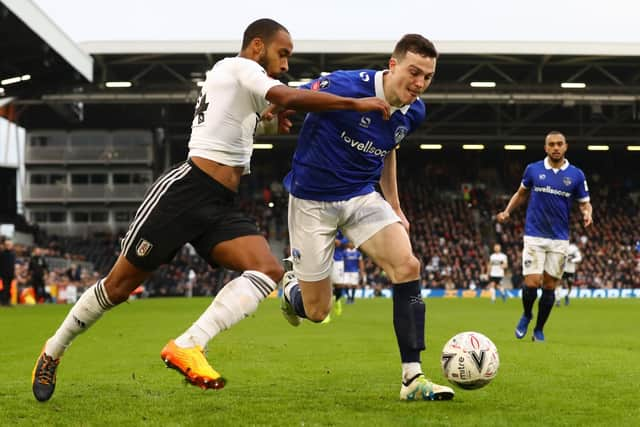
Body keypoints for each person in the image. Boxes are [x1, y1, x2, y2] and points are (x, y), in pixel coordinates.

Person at [31, 18, 390, 402]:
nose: (285, 64)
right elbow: (287, 95)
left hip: (220, 203)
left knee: (267, 269)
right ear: (257, 46)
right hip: (185, 192)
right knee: (117, 287)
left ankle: (190, 344)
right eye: (282, 53)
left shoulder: (243, 84)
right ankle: (53, 350)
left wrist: (271, 120)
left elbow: (249, 122)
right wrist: (354, 102)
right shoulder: (238, 67)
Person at [280, 34, 454, 401]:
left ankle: (412, 379)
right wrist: (271, 114)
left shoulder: (415, 111)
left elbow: (390, 149)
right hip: (312, 200)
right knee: (317, 311)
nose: (420, 83)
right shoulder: (345, 84)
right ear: (393, 66)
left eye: (428, 76)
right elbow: (289, 97)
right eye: (414, 72)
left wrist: (394, 204)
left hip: (361, 195)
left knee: (407, 266)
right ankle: (291, 289)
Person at [497, 130, 592, 342]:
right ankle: (526, 314)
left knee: (549, 286)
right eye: (552, 144)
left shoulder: (576, 175)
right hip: (534, 234)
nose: (556, 148)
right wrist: (507, 211)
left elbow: (585, 203)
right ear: (545, 147)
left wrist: (588, 214)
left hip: (559, 238)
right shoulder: (533, 169)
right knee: (531, 282)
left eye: (560, 144)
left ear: (565, 147)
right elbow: (521, 193)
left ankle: (539, 329)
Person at [556, 242, 582, 306]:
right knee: (559, 283)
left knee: (570, 285)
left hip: (571, 270)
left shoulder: (574, 249)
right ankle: (558, 300)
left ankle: (567, 296)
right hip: (563, 269)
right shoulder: (561, 246)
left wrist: (572, 260)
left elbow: (579, 258)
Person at [0, 238, 16, 306]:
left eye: (10, 244)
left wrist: (13, 273)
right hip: (4, 274)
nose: (9, 246)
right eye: (7, 245)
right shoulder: (2, 254)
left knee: (9, 288)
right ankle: (4, 302)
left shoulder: (13, 254)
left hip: (10, 274)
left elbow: (12, 265)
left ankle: (8, 301)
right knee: (5, 288)